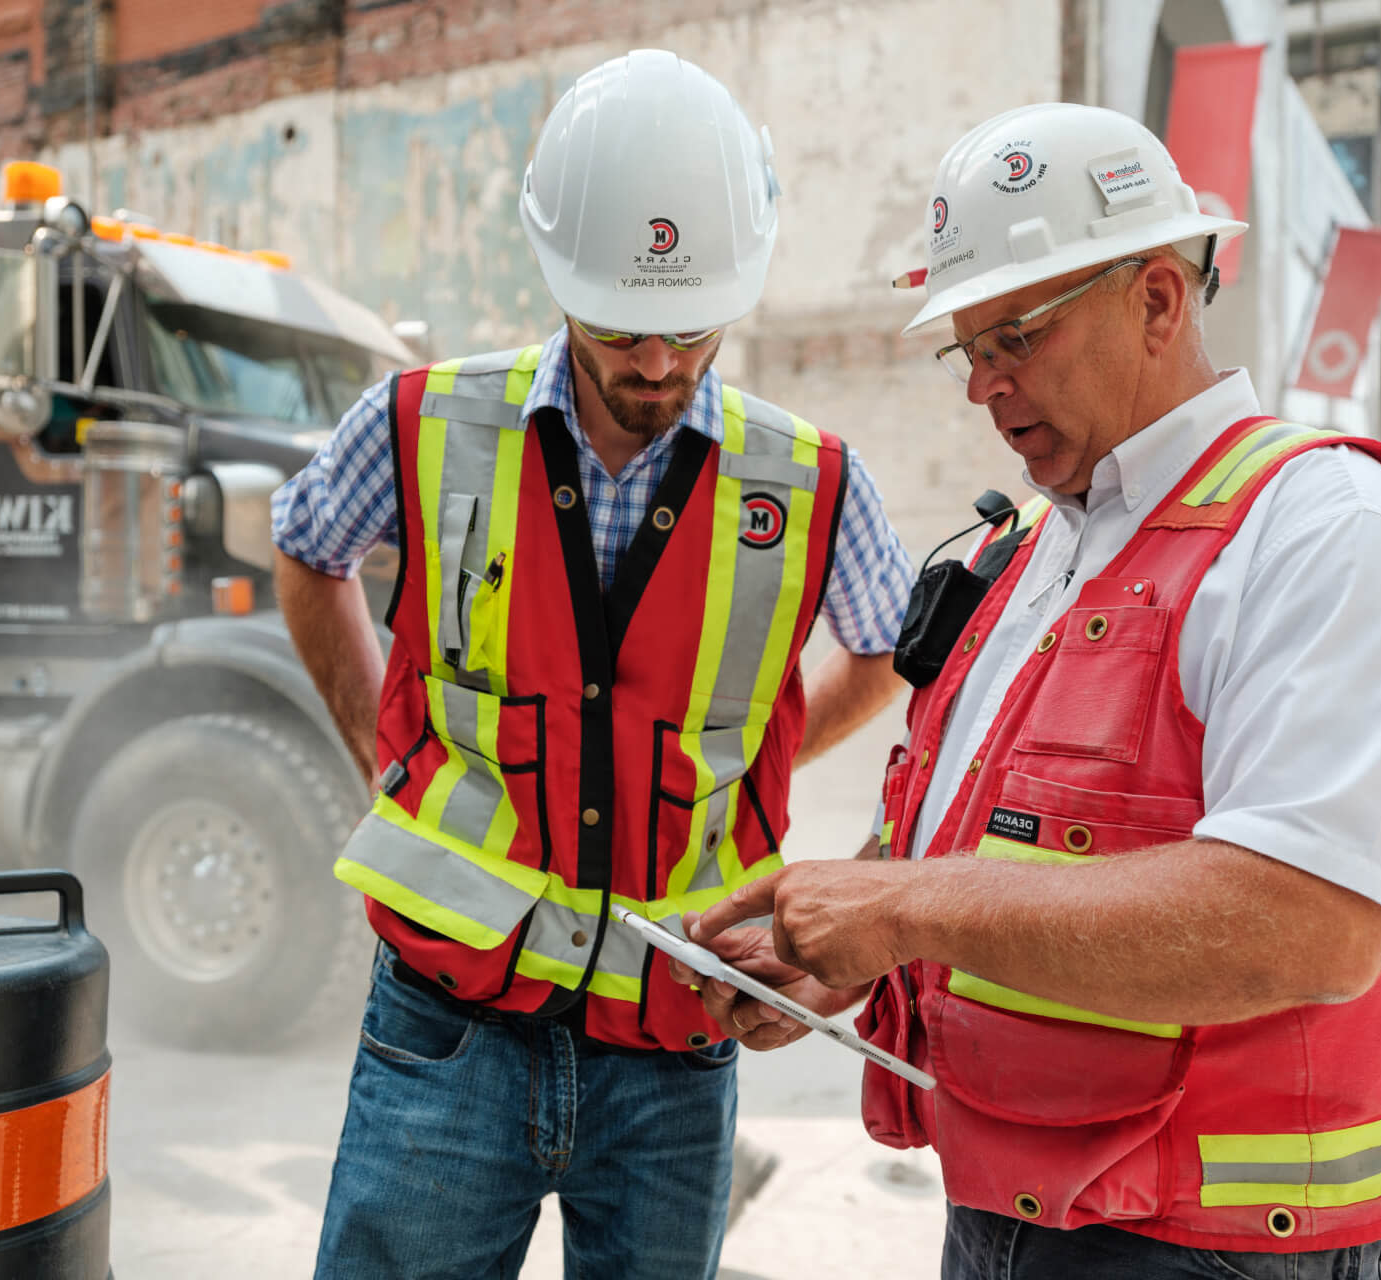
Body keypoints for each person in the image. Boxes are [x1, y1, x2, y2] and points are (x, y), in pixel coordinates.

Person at [684, 103, 1381, 1278]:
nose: (984, 387)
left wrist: (902, 907)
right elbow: (977, 830)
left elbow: (1310, 919)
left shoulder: (1327, 529)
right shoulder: (1027, 547)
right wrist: (843, 945)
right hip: (1013, 1208)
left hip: (1216, 1249)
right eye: (968, 349)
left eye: (1015, 337)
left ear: (1160, 300)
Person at [269, 50, 915, 1280]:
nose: (660, 365)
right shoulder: (425, 421)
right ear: (558, 273)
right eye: (623, 330)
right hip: (445, 1024)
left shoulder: (809, 479)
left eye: (691, 329)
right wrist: (374, 736)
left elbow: (892, 650)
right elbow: (308, 548)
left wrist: (770, 747)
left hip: (676, 1040)